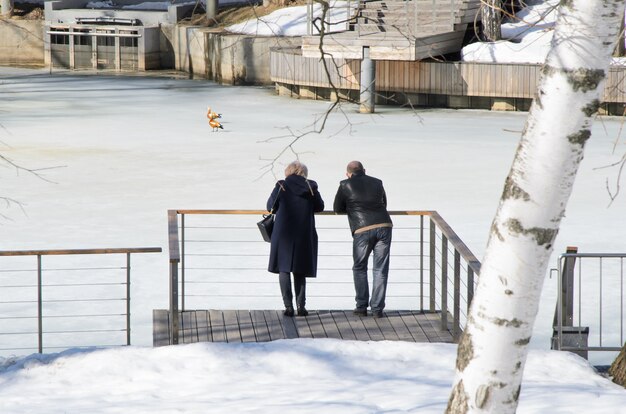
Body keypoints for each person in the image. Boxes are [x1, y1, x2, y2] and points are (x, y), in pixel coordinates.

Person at [333, 161, 392, 318]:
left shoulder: (345, 184)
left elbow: (337, 208)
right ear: (364, 170)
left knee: (360, 267)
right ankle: (377, 309)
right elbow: (384, 203)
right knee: (380, 269)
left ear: (348, 173)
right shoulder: (378, 182)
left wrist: (352, 208)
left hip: (362, 229)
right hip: (384, 225)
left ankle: (361, 306)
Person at [267, 161, 324, 317]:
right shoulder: (311, 187)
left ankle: (288, 307)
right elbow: (320, 207)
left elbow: (270, 206)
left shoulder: (281, 185)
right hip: (303, 233)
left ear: (288, 171)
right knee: (299, 270)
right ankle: (301, 306)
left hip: (283, 233)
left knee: (283, 269)